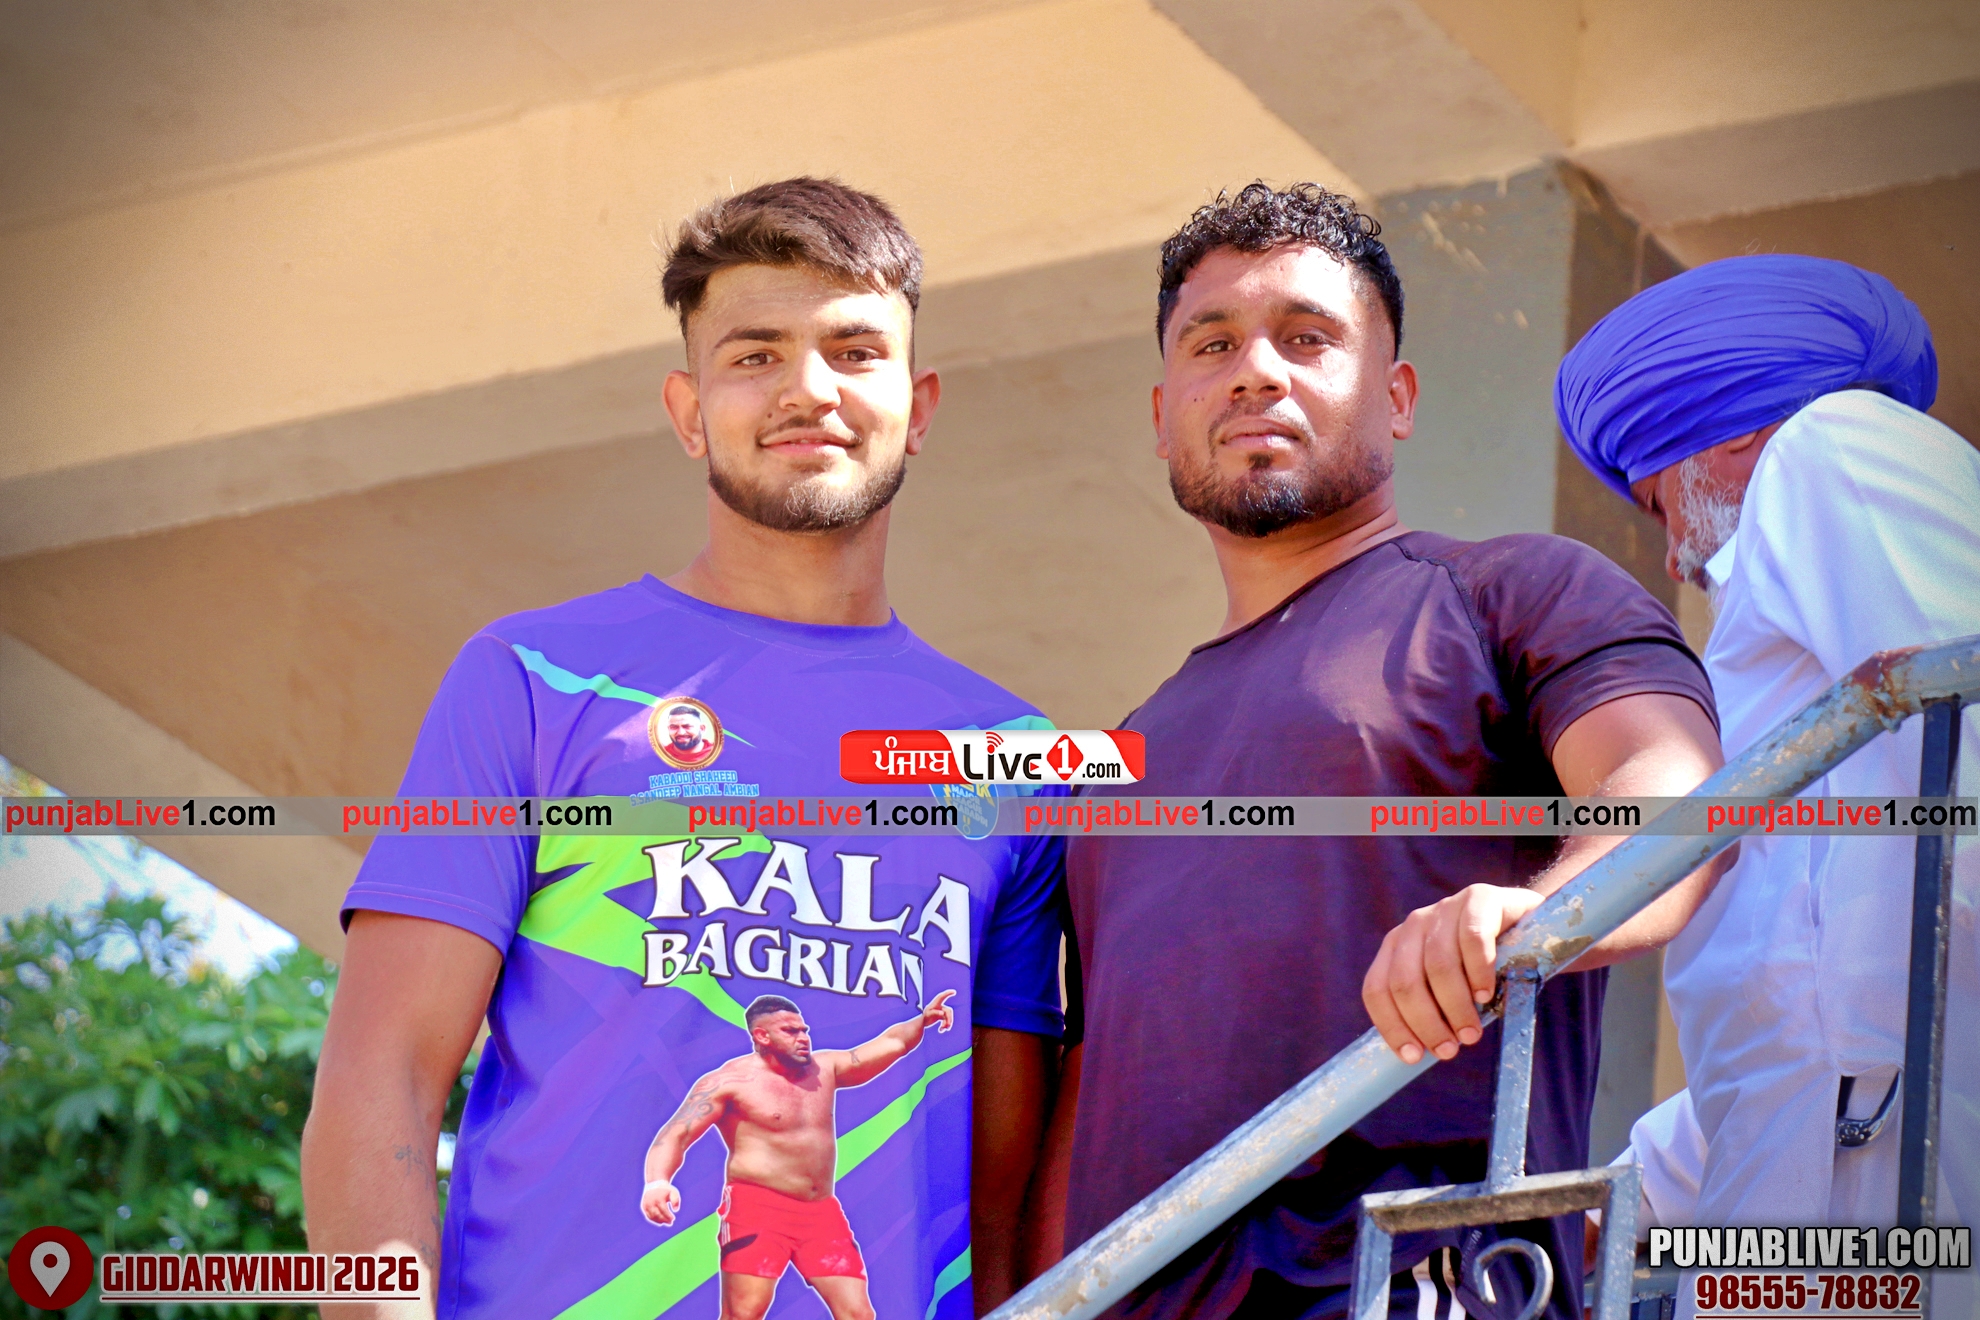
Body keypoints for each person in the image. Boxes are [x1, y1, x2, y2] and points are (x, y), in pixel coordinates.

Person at [302, 178, 1067, 1320]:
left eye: (855, 352)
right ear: (688, 410)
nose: (809, 390)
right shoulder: (534, 680)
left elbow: (1004, 1200)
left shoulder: (1017, 758)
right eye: (755, 355)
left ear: (918, 405)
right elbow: (382, 1083)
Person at [1035, 183, 1728, 1320]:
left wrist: (1534, 913)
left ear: (1395, 397)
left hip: (1418, 1284)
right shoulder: (1121, 757)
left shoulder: (1512, 591)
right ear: (1163, 416)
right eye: (1213, 344)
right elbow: (1090, 1085)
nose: (1256, 372)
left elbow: (1674, 797)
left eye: (1308, 337)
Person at [1556, 253, 1980, 1314]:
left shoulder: (1832, 450)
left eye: (1659, 505)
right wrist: (1638, 1189)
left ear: (1732, 435)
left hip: (1901, 1163)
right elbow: (1793, 1001)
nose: (1672, 559)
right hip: (1829, 1164)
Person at [640, 991, 957, 1320]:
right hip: (756, 1208)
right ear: (762, 1036)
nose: (803, 1037)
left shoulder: (825, 1068)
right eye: (790, 1031)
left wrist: (922, 1021)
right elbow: (676, 1133)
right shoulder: (728, 1082)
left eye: (804, 1030)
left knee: (858, 1314)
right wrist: (657, 1182)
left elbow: (891, 1042)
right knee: (744, 1313)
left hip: (820, 1212)